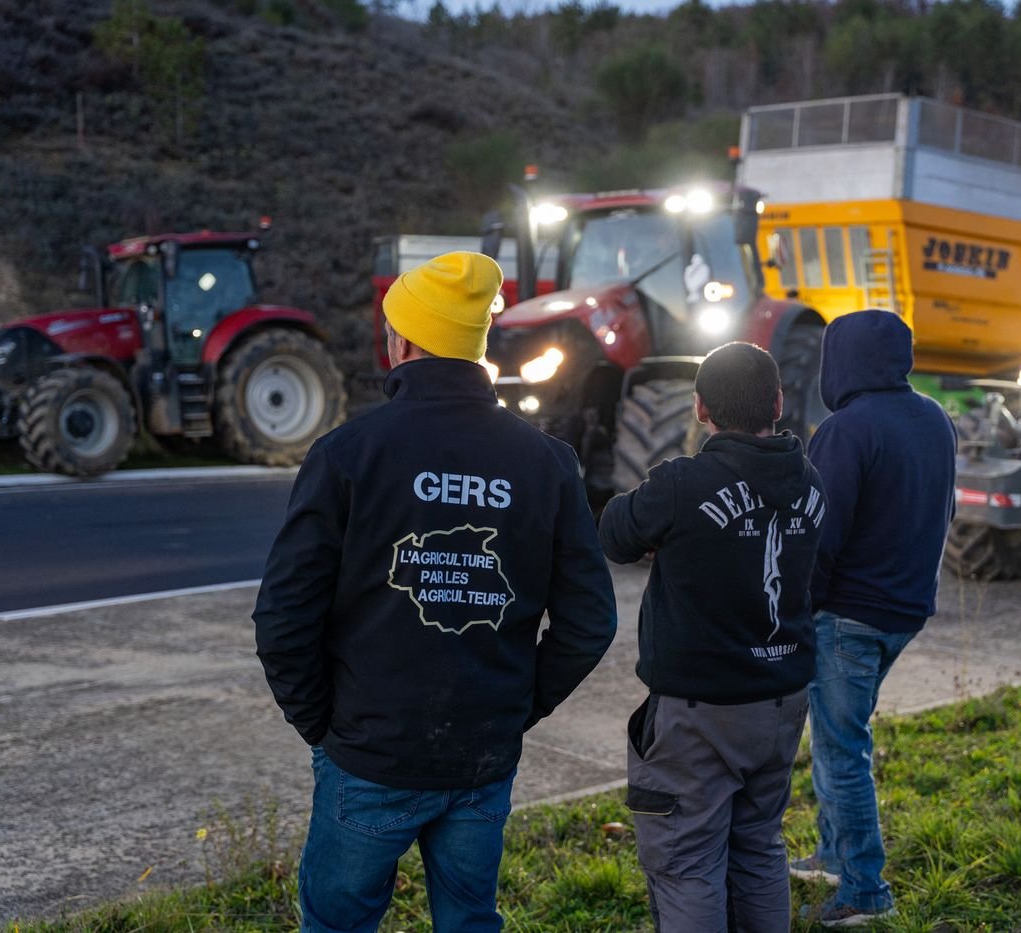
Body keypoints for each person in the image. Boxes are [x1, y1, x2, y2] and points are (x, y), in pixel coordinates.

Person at [253, 251, 617, 933]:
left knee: (337, 924)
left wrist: (325, 727)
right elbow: (590, 620)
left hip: (369, 750)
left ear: (405, 342)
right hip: (483, 751)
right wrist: (517, 703)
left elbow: (282, 615)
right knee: (470, 920)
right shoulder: (546, 463)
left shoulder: (348, 454)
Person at [599, 341, 826, 933]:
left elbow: (615, 534)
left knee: (687, 862)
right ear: (777, 402)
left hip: (697, 712)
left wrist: (670, 531)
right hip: (781, 701)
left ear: (700, 410)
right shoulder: (812, 484)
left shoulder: (682, 484)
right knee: (758, 847)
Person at [789, 310, 957, 928]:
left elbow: (819, 536)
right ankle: (834, 854)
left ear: (841, 360)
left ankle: (864, 890)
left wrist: (801, 608)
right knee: (842, 736)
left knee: (840, 749)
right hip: (906, 610)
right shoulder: (935, 418)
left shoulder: (845, 429)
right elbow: (948, 509)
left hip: (848, 616)